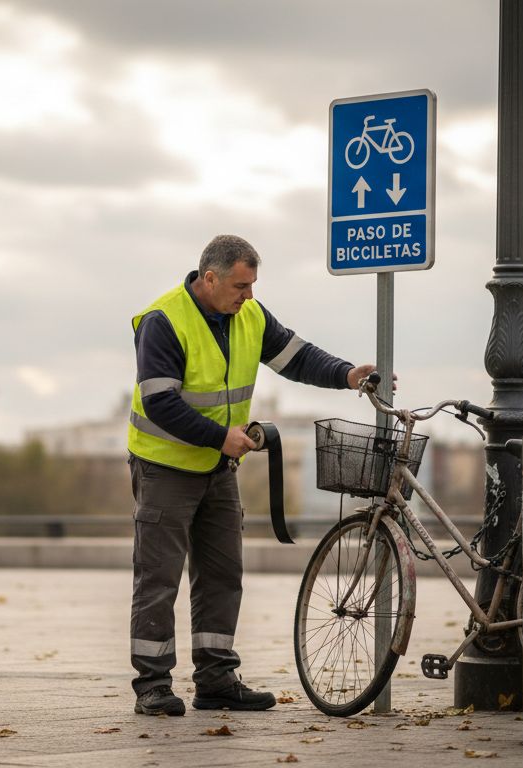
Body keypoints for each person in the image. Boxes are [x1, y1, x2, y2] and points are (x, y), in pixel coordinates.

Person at [127, 234, 378, 716]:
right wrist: (220, 436)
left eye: (253, 286)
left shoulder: (250, 317)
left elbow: (298, 357)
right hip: (164, 468)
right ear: (210, 278)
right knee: (158, 579)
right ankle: (153, 685)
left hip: (218, 470)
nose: (249, 296)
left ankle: (216, 679)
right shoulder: (164, 321)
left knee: (222, 573)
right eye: (241, 286)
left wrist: (348, 375)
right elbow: (159, 402)